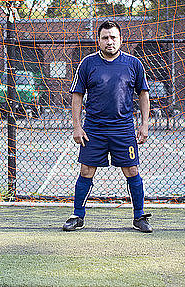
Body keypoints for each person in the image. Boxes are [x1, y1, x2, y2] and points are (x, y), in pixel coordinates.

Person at [63, 20, 152, 232]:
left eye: (113, 37)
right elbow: (77, 95)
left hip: (123, 129)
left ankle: (139, 217)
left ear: (121, 39)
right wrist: (77, 127)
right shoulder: (87, 63)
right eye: (105, 37)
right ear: (99, 40)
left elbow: (143, 94)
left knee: (131, 170)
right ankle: (78, 216)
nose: (109, 41)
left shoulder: (133, 64)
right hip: (94, 129)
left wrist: (144, 124)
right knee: (86, 171)